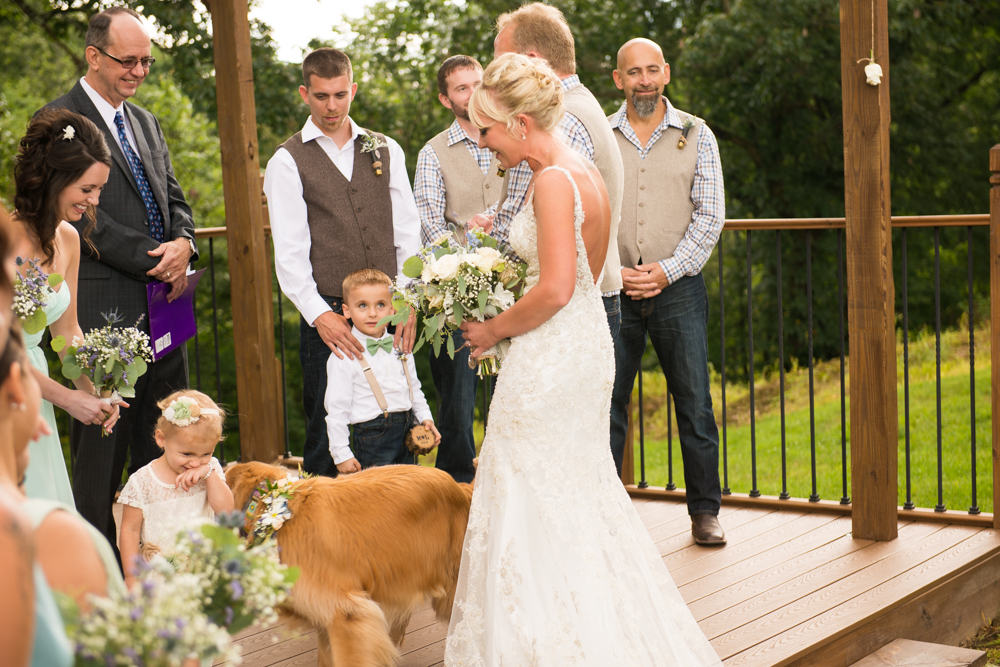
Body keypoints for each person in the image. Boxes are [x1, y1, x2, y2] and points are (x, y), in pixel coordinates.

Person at [448, 53, 722, 666]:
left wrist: (491, 328)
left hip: (550, 356)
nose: (483, 142)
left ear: (520, 123)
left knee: (525, 490)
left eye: (487, 130)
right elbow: (581, 277)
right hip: (582, 348)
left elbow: (555, 289)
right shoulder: (588, 172)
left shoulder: (550, 180)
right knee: (573, 495)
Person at [46, 6, 197, 557]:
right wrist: (155, 258)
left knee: (165, 439)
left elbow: (175, 198)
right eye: (127, 60)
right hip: (99, 314)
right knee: (101, 456)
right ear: (94, 55)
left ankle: (155, 563)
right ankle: (95, 573)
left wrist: (185, 245)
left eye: (146, 62)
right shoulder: (58, 119)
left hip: (167, 310)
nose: (138, 71)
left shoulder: (147, 122)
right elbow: (76, 214)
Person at [264, 47, 420, 477]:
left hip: (390, 311)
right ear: (304, 94)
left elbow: (408, 232)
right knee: (326, 430)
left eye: (339, 95)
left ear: (353, 90)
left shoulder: (385, 149)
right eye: (320, 96)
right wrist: (321, 317)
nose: (331, 106)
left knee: (399, 418)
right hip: (330, 315)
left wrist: (407, 302)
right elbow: (290, 254)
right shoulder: (287, 160)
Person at [608, 38, 727, 546]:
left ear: (667, 73)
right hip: (612, 289)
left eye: (652, 70)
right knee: (607, 401)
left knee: (694, 401)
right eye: (634, 72)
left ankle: (705, 511)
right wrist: (615, 270)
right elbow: (583, 211)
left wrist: (668, 270)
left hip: (678, 288)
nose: (644, 80)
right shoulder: (598, 135)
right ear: (618, 80)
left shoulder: (698, 134)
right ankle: (606, 513)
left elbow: (711, 214)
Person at [491, 2, 625, 338]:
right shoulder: (583, 104)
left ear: (533, 61)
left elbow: (538, 223)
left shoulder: (559, 122)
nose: (494, 72)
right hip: (584, 301)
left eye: (502, 61)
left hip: (563, 313)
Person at [12, 108, 125, 506]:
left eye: (99, 190)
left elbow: (66, 334)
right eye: (86, 189)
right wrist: (68, 400)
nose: (94, 201)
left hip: (34, 387)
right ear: (55, 180)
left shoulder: (68, 240)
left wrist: (97, 392)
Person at [413, 55, 502, 484]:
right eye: (461, 88)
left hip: (512, 292)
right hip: (452, 296)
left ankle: (506, 487)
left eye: (477, 83)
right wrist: (466, 263)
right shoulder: (432, 153)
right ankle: (456, 490)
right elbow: (429, 225)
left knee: (511, 396)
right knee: (458, 405)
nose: (471, 94)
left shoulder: (510, 134)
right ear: (445, 98)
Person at [324, 269, 440, 474]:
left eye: (380, 304)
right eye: (362, 305)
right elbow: (336, 410)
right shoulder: (344, 357)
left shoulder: (401, 347)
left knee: (407, 495)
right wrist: (341, 454)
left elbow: (414, 389)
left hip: (407, 432)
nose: (372, 313)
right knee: (376, 500)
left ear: (393, 309)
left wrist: (425, 418)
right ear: (346, 310)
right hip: (371, 440)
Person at [118, 389, 233, 588]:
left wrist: (209, 474)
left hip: (202, 571)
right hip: (161, 576)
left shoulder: (209, 470)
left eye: (206, 453)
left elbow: (227, 510)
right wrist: (131, 578)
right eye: (187, 454)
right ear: (161, 439)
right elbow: (129, 530)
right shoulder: (142, 481)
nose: (196, 462)